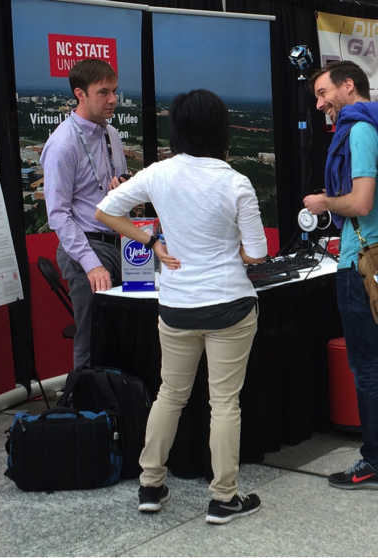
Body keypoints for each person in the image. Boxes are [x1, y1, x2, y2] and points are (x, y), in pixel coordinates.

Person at [95, 89, 268, 525]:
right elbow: (257, 255)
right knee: (224, 402)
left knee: (170, 394)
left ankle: (150, 484)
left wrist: (153, 242)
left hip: (176, 305)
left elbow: (105, 212)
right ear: (221, 129)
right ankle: (223, 497)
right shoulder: (235, 182)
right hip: (229, 305)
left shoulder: (159, 173)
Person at [303, 61, 378, 490]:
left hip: (361, 263)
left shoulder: (358, 129)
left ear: (348, 85)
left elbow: (359, 201)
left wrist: (323, 201)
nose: (320, 104)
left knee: (367, 365)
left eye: (323, 93)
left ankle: (375, 462)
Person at [42, 59, 128, 369]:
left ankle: (122, 404)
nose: (113, 100)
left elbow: (115, 192)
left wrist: (120, 189)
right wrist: (90, 264)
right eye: (103, 92)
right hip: (86, 249)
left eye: (115, 91)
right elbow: (59, 215)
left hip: (117, 242)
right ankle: (87, 407)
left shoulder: (112, 134)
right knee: (92, 340)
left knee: (123, 334)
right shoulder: (63, 144)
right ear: (80, 94)